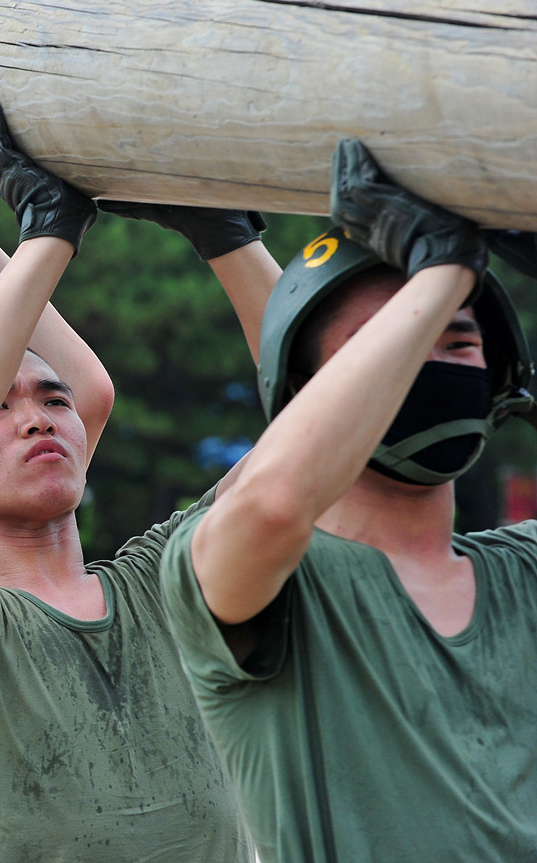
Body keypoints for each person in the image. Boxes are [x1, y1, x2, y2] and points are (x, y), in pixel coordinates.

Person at [0, 94, 271, 861]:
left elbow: (326, 425)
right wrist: (47, 234)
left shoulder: (163, 582)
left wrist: (226, 236)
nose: (37, 418)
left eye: (51, 401)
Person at [158, 139, 537, 861]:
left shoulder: (522, 570)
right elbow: (272, 501)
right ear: (306, 399)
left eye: (457, 340)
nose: (428, 354)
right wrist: (446, 271)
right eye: (386, 343)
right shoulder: (255, 573)